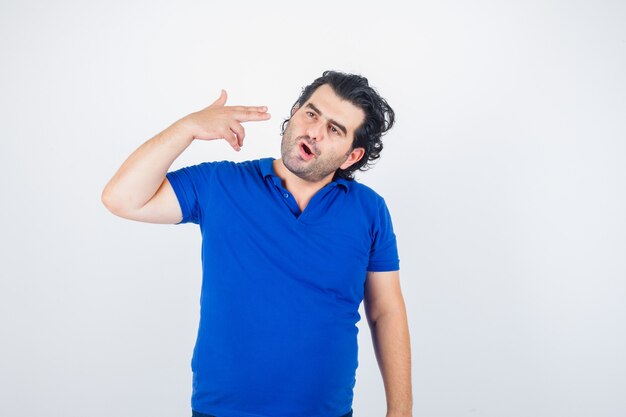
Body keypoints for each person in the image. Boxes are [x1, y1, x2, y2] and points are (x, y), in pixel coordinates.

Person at [101, 70, 412, 417]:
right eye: (311, 113)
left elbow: (386, 311)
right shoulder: (221, 183)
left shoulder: (369, 210)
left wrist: (401, 412)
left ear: (351, 156)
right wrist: (186, 127)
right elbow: (122, 199)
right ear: (294, 112)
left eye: (334, 129)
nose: (314, 131)